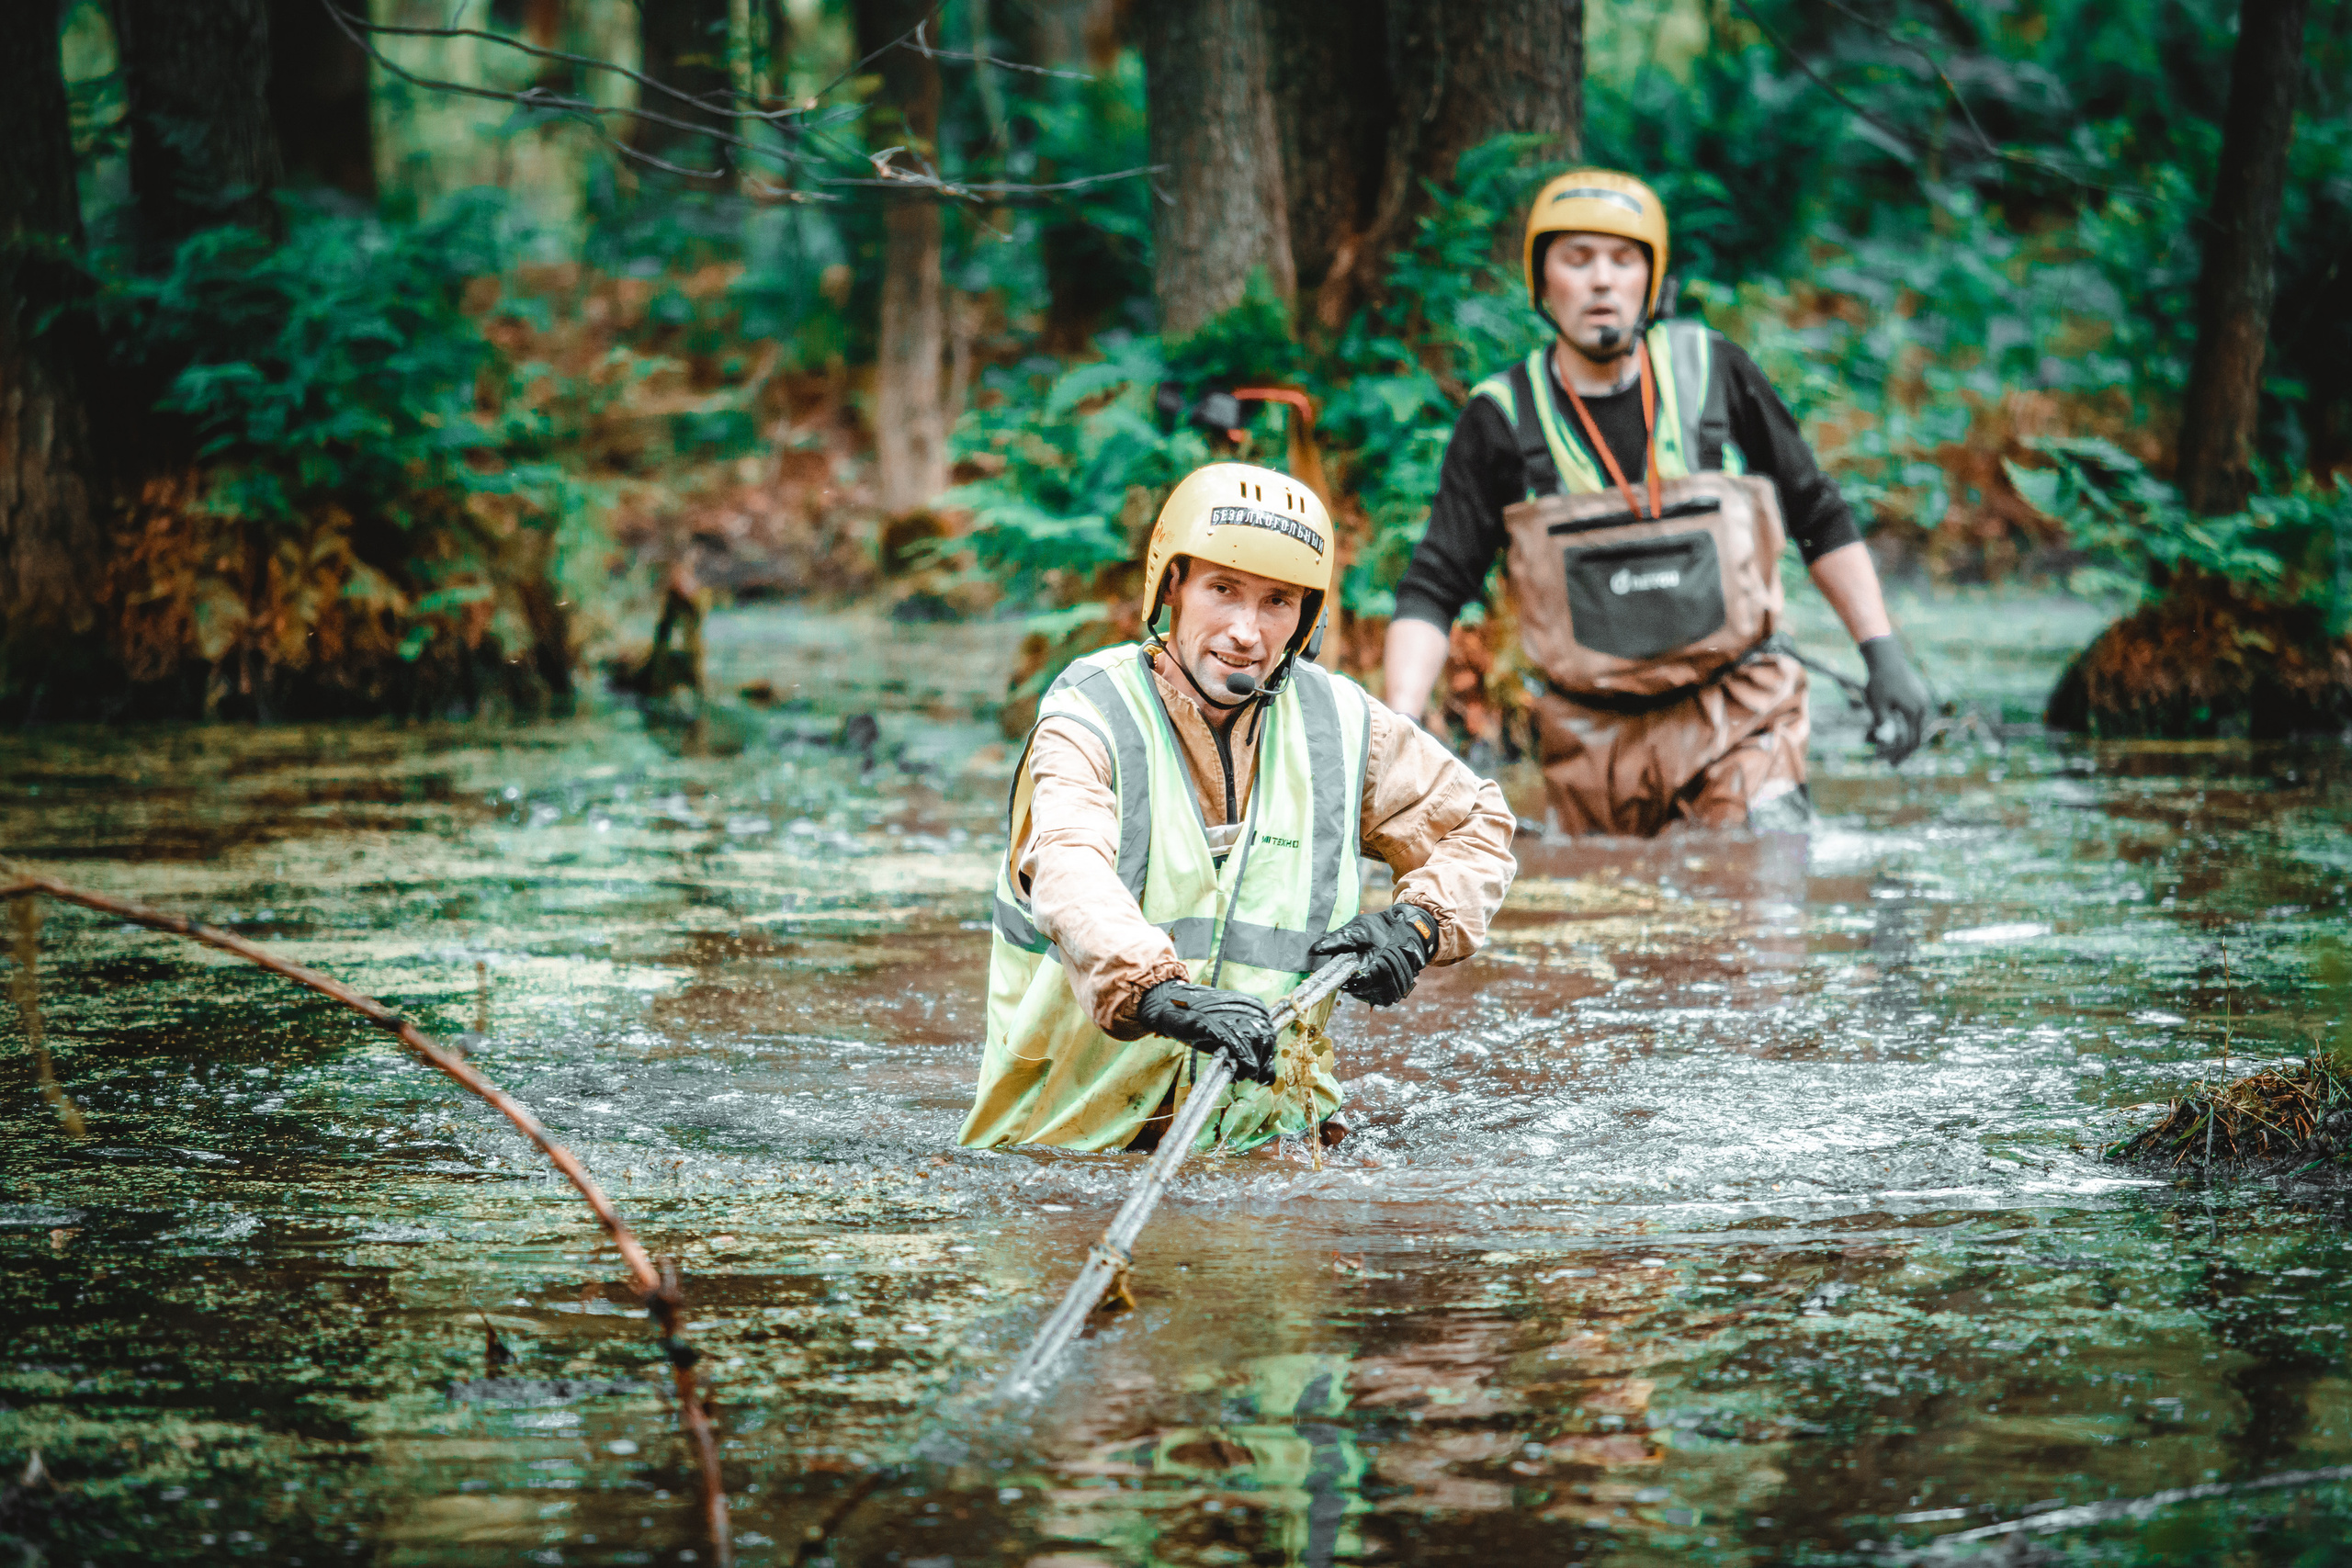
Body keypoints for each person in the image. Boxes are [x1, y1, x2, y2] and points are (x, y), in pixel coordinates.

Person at [960, 462, 1517, 1153]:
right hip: (1067, 1144)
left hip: (1271, 1135)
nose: (1248, 632)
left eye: (1278, 601)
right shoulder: (1086, 717)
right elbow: (1071, 873)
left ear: (1307, 617)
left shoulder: (1343, 724)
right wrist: (1159, 991)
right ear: (1173, 586)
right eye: (1224, 590)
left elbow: (1477, 821)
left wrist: (1421, 922)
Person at [1382, 168, 1934, 836]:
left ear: (1654, 278)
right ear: (1542, 282)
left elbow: (1817, 515)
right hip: (1590, 740)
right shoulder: (1499, 418)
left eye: (1623, 259)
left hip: (1741, 716)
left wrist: (1883, 653)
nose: (1602, 280)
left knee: (1759, 890)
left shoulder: (1718, 372)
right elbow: (1435, 586)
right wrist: (1401, 725)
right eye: (1576, 259)